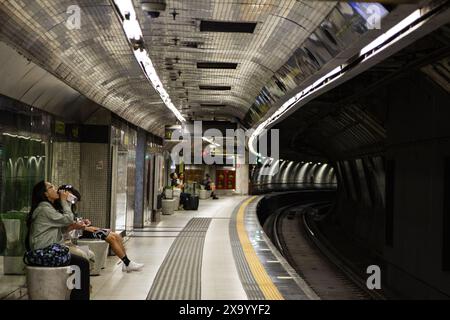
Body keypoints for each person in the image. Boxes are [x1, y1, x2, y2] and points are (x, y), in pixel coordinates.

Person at [56, 185, 144, 273]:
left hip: (80, 230)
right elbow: (67, 225)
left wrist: (82, 221)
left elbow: (73, 220)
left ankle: (126, 262)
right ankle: (127, 263)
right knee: (111, 238)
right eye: (69, 195)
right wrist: (83, 226)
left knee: (116, 236)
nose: (72, 199)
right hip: (77, 233)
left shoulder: (69, 205)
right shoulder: (60, 206)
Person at [26, 181, 90, 300]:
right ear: (45, 194)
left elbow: (61, 228)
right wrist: (65, 202)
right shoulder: (44, 209)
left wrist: (77, 225)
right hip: (45, 252)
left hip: (49, 249)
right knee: (82, 263)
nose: (56, 189)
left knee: (81, 262)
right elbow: (68, 219)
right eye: (51, 187)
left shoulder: (47, 207)